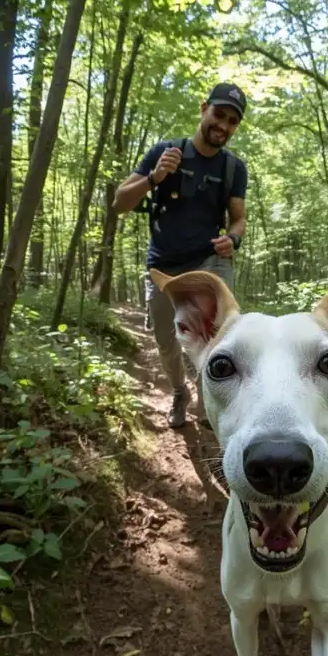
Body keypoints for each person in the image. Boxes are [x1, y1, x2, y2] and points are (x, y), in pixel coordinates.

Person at [113, 83, 248, 428]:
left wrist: (233, 239)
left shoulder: (233, 168)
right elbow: (120, 204)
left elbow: (239, 217)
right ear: (204, 108)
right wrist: (155, 178)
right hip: (163, 267)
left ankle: (211, 402)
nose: (224, 125)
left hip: (209, 262)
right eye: (219, 114)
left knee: (221, 336)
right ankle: (179, 392)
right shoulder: (164, 151)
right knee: (167, 340)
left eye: (233, 121)